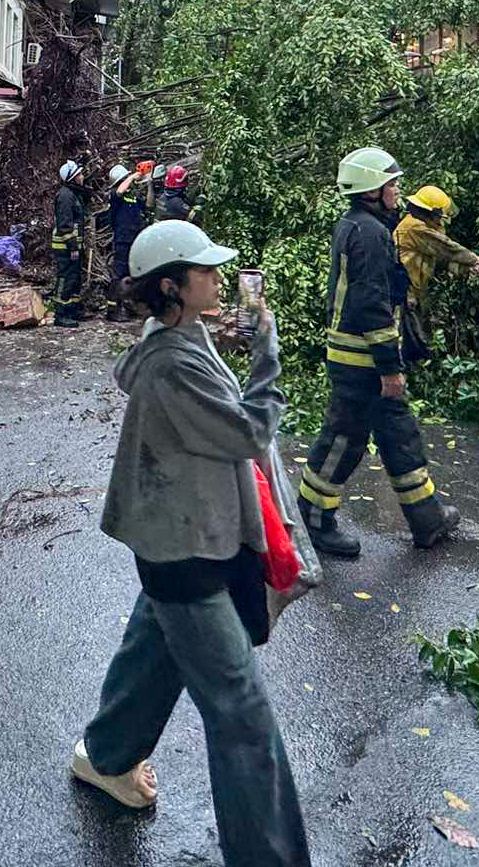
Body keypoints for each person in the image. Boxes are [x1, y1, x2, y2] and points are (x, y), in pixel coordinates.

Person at [70, 218, 312, 867]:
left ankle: (107, 757)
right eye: (205, 271)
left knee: (154, 650)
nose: (219, 277)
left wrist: (233, 338)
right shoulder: (170, 365)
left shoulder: (179, 332)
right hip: (184, 552)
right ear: (172, 287)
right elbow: (245, 432)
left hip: (180, 534)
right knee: (243, 718)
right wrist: (269, 354)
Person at [296, 147, 460, 558]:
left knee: (399, 434)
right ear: (371, 188)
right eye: (392, 183)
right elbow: (371, 304)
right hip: (361, 363)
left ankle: (427, 518)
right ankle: (314, 517)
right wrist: (389, 367)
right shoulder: (367, 233)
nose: (398, 190)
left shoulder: (365, 225)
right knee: (344, 439)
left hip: (367, 359)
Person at [393, 184, 479, 363]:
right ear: (431, 213)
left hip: (414, 295)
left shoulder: (417, 227)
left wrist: (466, 269)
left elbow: (440, 261)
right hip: (405, 297)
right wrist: (475, 260)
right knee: (410, 345)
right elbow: (447, 248)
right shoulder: (415, 228)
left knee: (418, 341)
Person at [105, 162, 153, 323]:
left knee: (132, 275)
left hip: (135, 240)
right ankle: (112, 310)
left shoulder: (133, 197)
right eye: (126, 178)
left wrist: (149, 184)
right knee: (118, 275)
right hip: (122, 239)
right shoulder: (114, 196)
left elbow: (149, 205)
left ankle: (127, 306)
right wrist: (133, 176)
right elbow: (119, 192)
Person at [52, 160, 91, 328]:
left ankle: (73, 310)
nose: (82, 177)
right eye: (80, 174)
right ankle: (60, 315)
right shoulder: (65, 196)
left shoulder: (74, 194)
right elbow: (64, 224)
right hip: (65, 247)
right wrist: (73, 247)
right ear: (73, 177)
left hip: (74, 245)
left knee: (75, 279)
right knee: (65, 279)